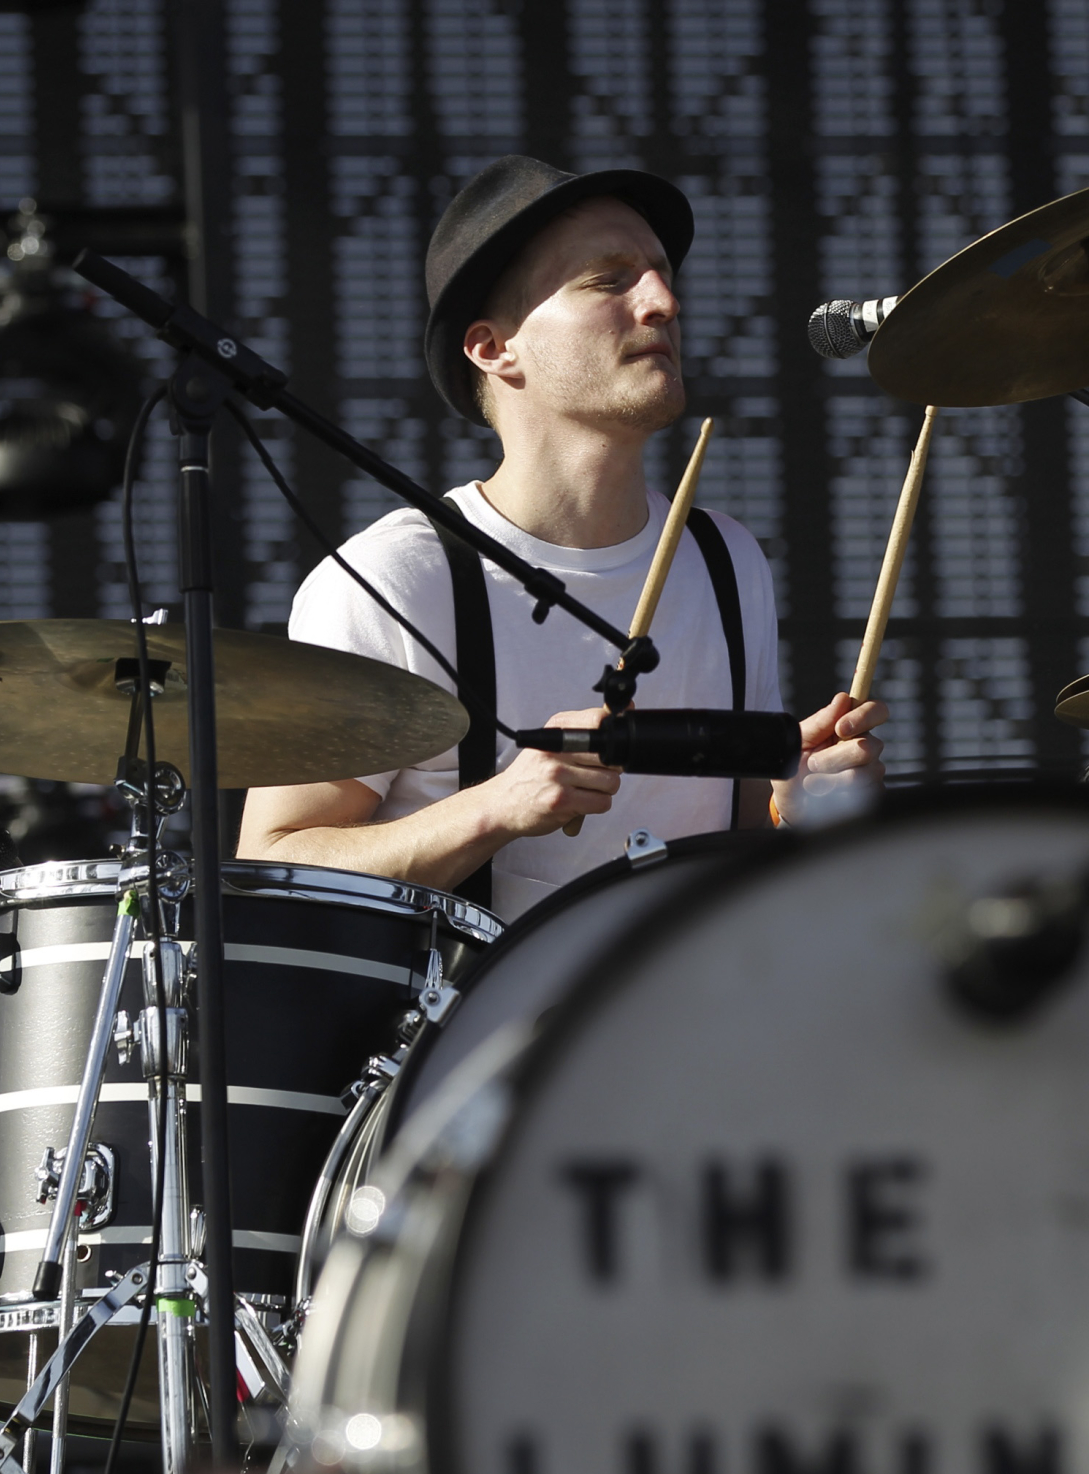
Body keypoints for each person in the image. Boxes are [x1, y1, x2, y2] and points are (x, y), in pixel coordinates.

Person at [236, 156, 887, 919]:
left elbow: (737, 837)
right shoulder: (395, 578)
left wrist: (795, 806)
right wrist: (497, 805)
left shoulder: (723, 557)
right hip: (478, 1032)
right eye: (610, 280)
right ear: (493, 347)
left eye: (662, 274)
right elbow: (274, 864)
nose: (664, 301)